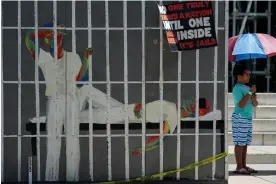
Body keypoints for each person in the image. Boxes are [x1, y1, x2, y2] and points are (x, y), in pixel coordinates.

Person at [25, 24, 93, 181]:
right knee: (53, 143)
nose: (54, 40)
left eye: (57, 37)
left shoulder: (73, 57)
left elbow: (80, 82)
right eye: (50, 38)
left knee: (72, 141)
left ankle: (72, 179)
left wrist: (86, 60)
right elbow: (28, 38)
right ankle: (51, 180)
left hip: (71, 100)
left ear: (62, 39)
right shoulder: (44, 58)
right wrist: (44, 31)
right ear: (46, 40)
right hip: (54, 100)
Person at [232, 64, 258, 174]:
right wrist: (249, 93)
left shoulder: (248, 88)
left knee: (245, 143)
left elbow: (255, 104)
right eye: (246, 74)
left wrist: (253, 97)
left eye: (249, 74)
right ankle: (239, 166)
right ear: (239, 76)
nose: (249, 76)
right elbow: (241, 105)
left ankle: (244, 165)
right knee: (239, 143)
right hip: (240, 117)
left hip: (247, 118)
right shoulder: (237, 88)